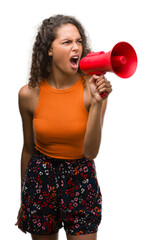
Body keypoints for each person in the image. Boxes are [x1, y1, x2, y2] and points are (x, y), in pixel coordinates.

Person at [15, 14, 112, 240]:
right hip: (40, 179)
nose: (76, 47)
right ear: (49, 49)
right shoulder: (28, 94)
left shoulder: (93, 89)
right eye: (67, 42)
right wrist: (24, 200)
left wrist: (98, 103)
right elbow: (28, 149)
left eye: (78, 41)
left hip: (81, 179)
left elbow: (90, 152)